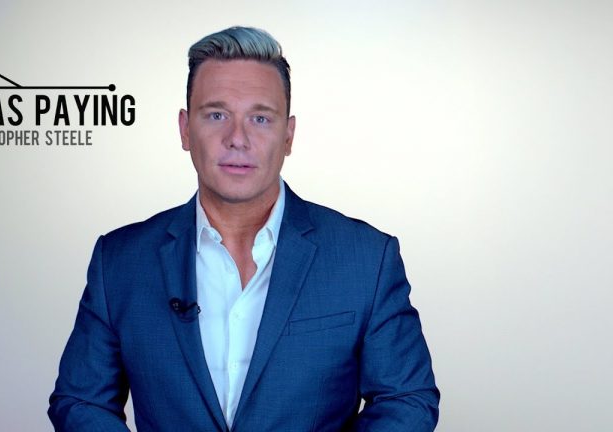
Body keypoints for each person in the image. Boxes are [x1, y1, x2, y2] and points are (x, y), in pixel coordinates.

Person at [48, 26, 439, 431]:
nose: (238, 138)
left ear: (288, 135)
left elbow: (407, 400)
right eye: (216, 115)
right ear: (185, 129)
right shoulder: (120, 261)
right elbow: (80, 401)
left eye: (260, 118)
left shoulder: (366, 258)